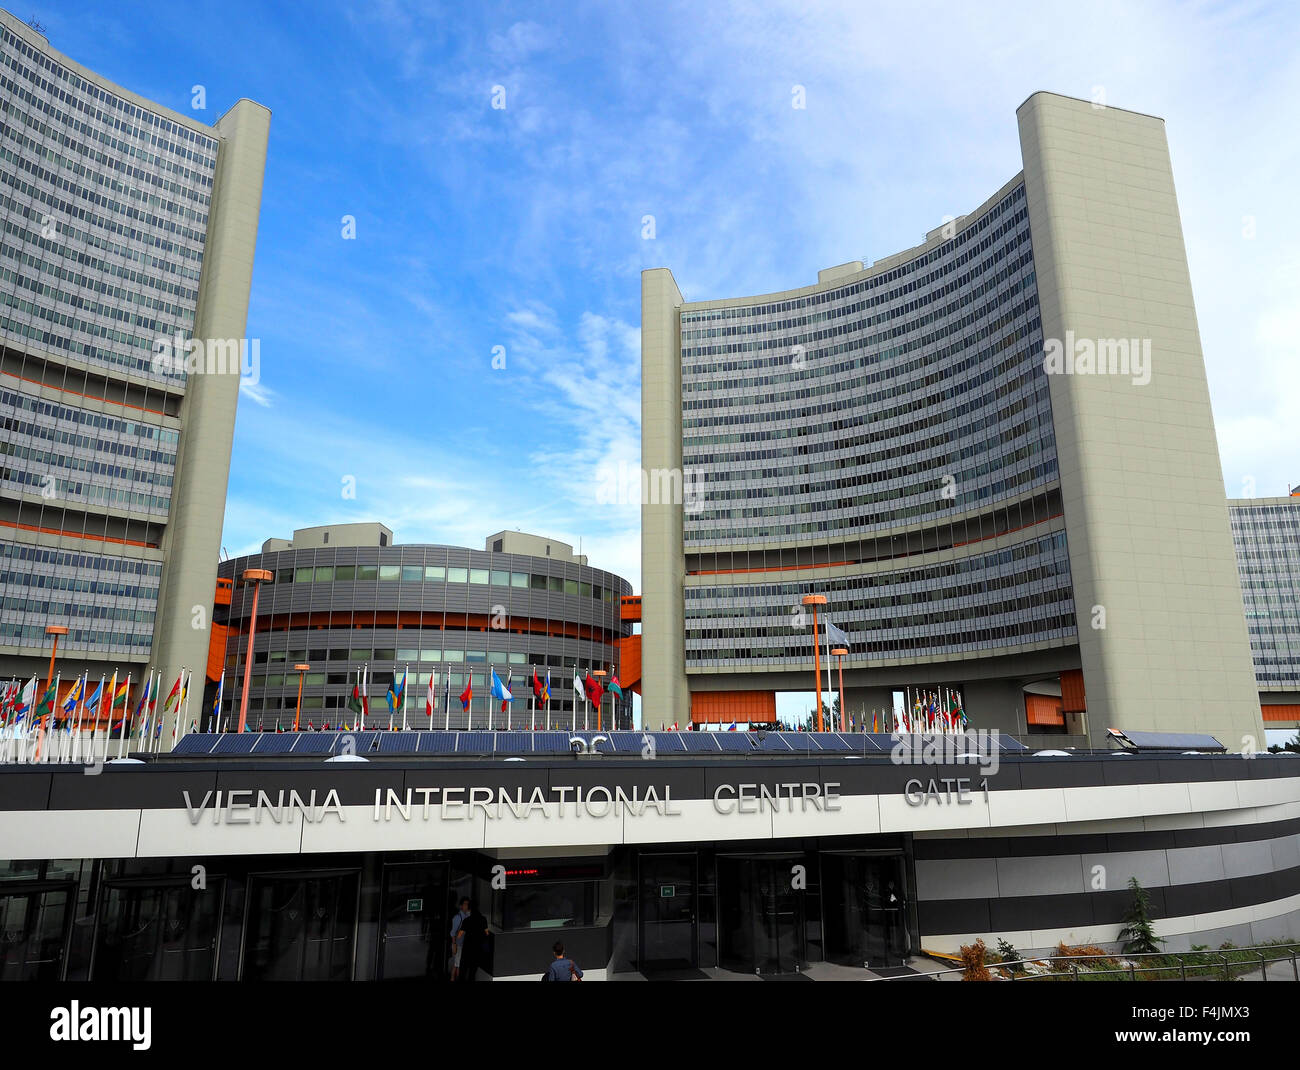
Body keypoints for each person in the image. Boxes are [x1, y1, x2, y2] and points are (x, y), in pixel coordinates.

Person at [455, 901, 490, 982]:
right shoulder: (483, 919)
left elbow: (459, 935)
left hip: (467, 949)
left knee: (463, 972)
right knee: (472, 973)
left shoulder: (467, 920)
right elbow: (487, 933)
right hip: (477, 950)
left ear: (469, 909)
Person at [449, 897, 470, 980]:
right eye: (465, 904)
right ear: (461, 906)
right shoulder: (458, 917)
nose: (467, 906)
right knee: (457, 965)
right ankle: (453, 978)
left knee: (460, 964)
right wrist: (454, 945)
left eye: (468, 904)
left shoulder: (468, 915)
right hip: (459, 945)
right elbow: (452, 933)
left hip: (465, 945)